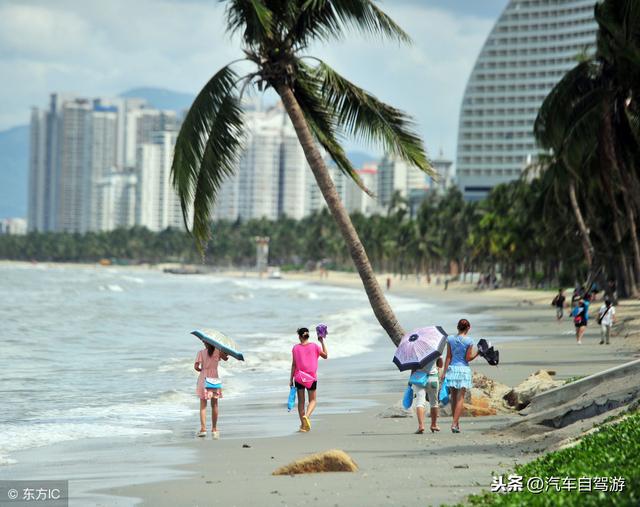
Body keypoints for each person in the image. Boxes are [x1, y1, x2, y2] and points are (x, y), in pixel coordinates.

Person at [441, 319, 478, 433]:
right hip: (463, 370)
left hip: (452, 369)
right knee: (460, 398)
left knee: (453, 397)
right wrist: (477, 354)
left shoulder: (450, 339)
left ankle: (456, 423)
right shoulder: (469, 341)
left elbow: (448, 357)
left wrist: (444, 372)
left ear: (457, 327)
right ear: (468, 328)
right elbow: (467, 358)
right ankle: (454, 424)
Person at [289, 327, 328, 432]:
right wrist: (322, 341)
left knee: (301, 402)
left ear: (300, 336)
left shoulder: (295, 348)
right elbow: (325, 356)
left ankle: (303, 425)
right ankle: (307, 416)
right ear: (307, 336)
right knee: (313, 400)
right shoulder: (315, 346)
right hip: (311, 378)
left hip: (299, 377)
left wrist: (290, 379)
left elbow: (294, 365)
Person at [194, 342, 229, 438]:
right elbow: (226, 358)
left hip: (203, 378)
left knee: (203, 405)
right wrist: (224, 352)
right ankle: (214, 429)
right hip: (214, 379)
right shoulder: (218, 352)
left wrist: (202, 369)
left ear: (205, 342)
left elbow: (196, 367)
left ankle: (203, 429)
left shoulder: (201, 352)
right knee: (215, 405)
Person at [411, 357, 443, 434]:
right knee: (434, 403)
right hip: (433, 378)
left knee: (420, 402)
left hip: (419, 378)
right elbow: (440, 365)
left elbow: (413, 367)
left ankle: (421, 426)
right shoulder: (435, 349)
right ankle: (434, 425)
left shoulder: (415, 350)